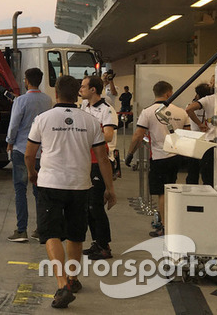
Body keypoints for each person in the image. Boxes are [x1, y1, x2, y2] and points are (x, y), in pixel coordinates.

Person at [26, 75, 116, 309]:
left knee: (51, 233)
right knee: (76, 234)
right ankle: (74, 278)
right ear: (77, 93)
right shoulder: (89, 121)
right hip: (80, 185)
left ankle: (62, 283)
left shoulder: (43, 119)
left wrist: (32, 173)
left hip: (50, 184)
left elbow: (29, 153)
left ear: (56, 93)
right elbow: (103, 158)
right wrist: (109, 188)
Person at [125, 80, 189, 237]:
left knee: (162, 193)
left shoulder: (148, 112)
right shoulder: (181, 112)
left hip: (160, 157)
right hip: (176, 156)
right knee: (171, 189)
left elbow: (138, 135)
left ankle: (165, 227)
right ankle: (170, 223)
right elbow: (187, 134)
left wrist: (130, 154)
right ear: (168, 93)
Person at [5, 68, 52, 242]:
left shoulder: (20, 100)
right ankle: (41, 228)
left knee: (20, 190)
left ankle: (21, 230)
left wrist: (10, 142)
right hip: (41, 152)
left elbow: (14, 124)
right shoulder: (47, 100)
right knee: (39, 192)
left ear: (26, 81)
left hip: (21, 150)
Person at [79, 76, 116, 260]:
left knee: (96, 205)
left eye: (84, 86)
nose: (81, 89)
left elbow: (108, 136)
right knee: (88, 206)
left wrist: (90, 132)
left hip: (101, 161)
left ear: (93, 90)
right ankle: (97, 241)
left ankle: (105, 246)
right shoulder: (83, 107)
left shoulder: (106, 110)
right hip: (86, 161)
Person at [185, 82, 214, 185]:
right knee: (207, 171)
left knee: (193, 170)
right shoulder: (211, 103)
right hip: (207, 140)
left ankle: (192, 190)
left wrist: (199, 124)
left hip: (194, 139)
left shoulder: (192, 105)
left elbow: (188, 110)